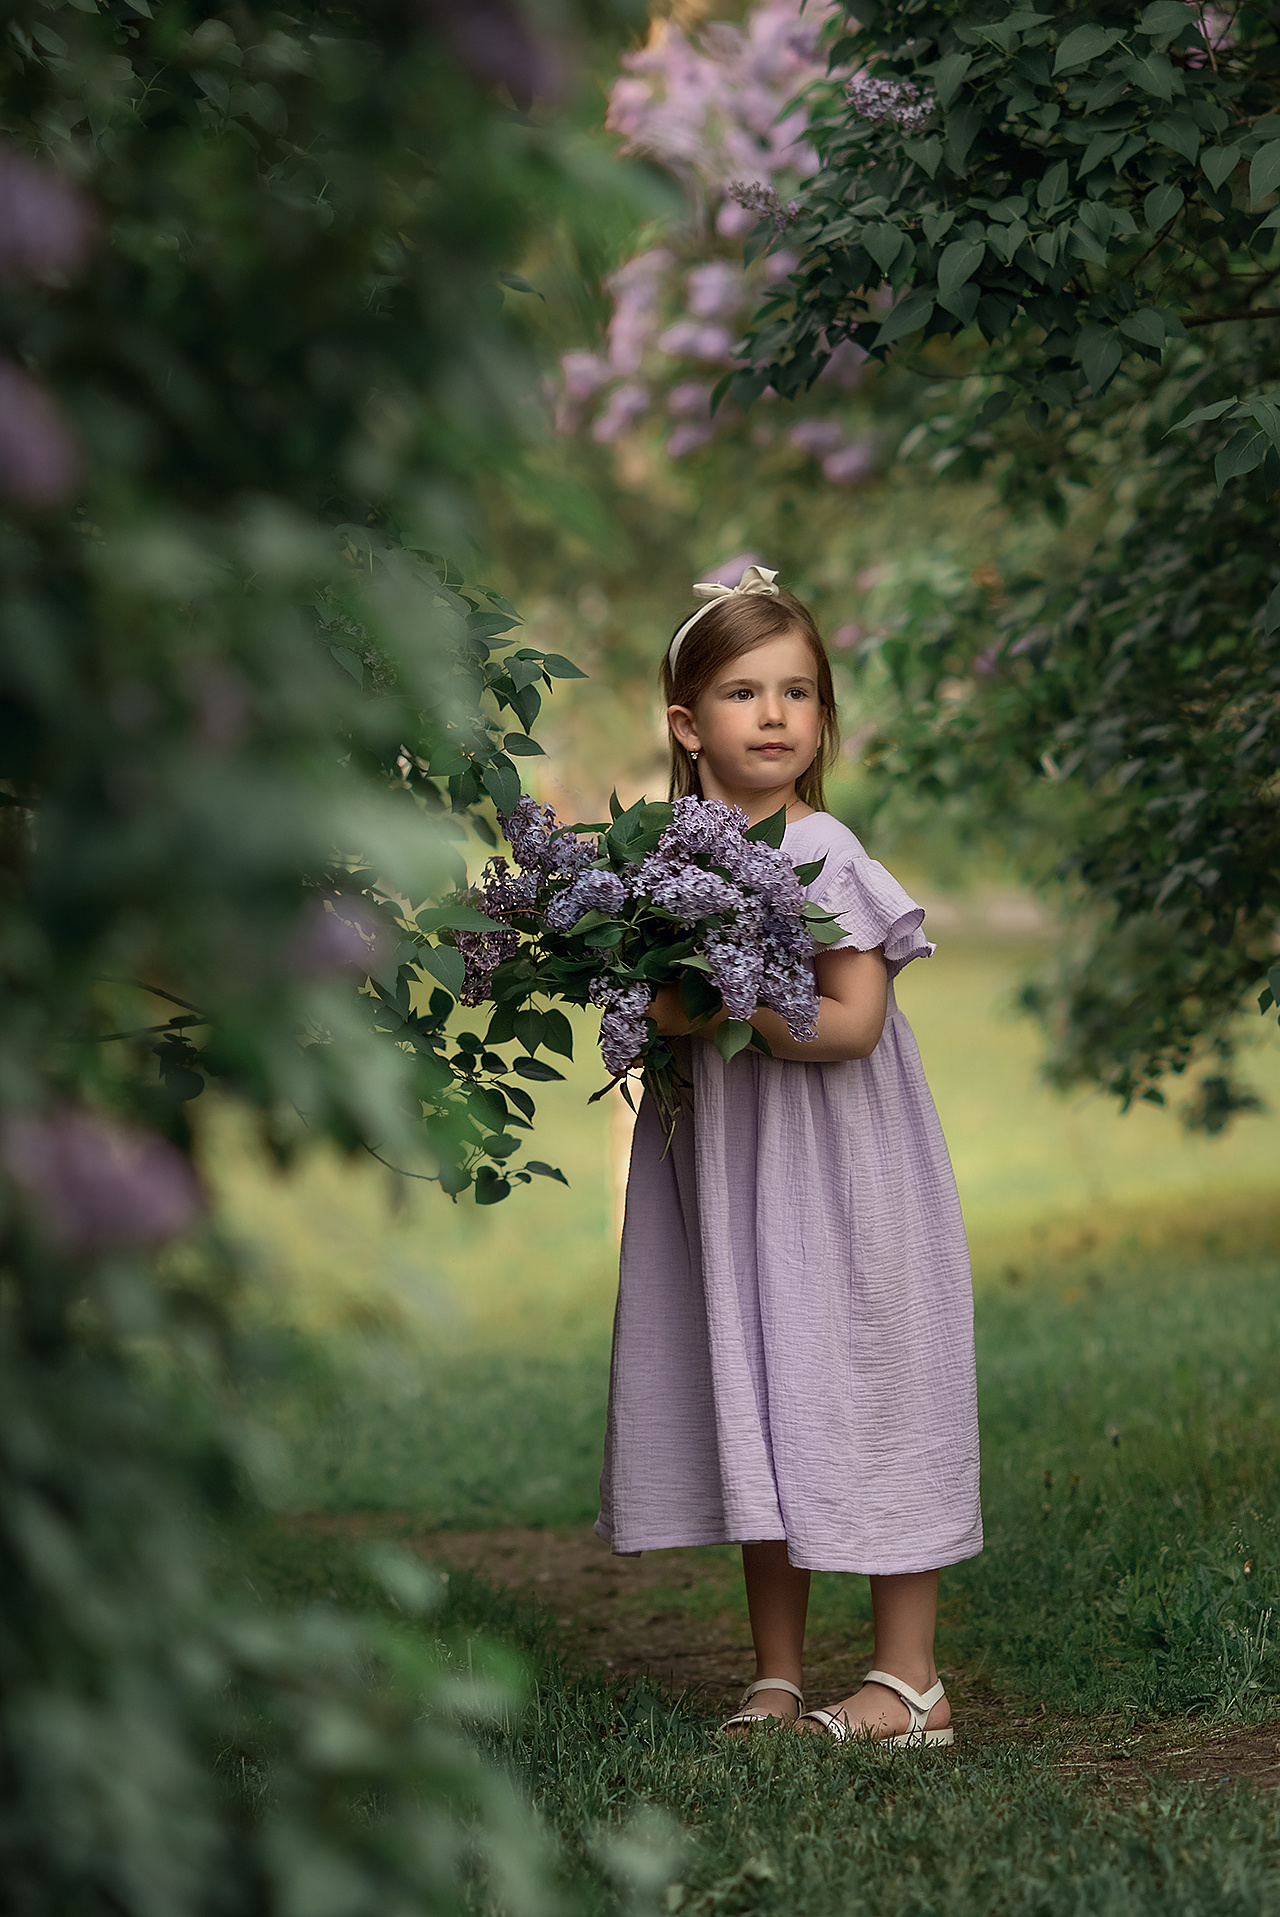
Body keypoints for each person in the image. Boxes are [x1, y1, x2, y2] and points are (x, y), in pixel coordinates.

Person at [594, 565, 982, 1747]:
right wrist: (653, 989)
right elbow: (651, 999)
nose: (774, 716)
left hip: (840, 1173)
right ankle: (775, 1673)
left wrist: (725, 999)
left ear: (821, 721)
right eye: (743, 692)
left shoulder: (819, 848)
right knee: (760, 1389)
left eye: (798, 692)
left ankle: (909, 1681)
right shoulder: (669, 863)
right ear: (685, 724)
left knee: (863, 1384)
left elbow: (851, 1022)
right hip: (734, 1178)